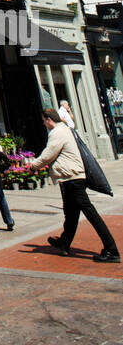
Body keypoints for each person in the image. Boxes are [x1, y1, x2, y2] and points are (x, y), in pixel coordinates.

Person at [26, 108, 119, 263]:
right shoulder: (65, 129)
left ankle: (111, 249)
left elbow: (49, 154)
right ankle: (64, 243)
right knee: (71, 214)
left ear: (49, 119)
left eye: (43, 120)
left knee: (90, 213)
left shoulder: (57, 133)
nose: (43, 123)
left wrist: (32, 166)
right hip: (71, 177)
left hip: (72, 178)